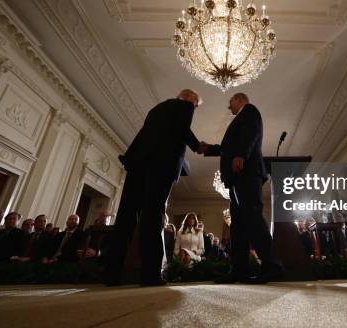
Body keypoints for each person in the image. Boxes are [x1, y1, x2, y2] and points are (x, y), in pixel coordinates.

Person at [104, 89, 208, 286]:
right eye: (196, 104)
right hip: (160, 167)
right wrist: (197, 146)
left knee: (126, 217)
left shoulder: (157, 108)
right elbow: (181, 129)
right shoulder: (185, 106)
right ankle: (150, 275)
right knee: (153, 217)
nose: (194, 107)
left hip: (137, 163)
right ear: (189, 99)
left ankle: (111, 273)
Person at [204, 93, 282, 284]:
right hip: (237, 179)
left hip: (246, 172)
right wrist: (209, 149)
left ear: (239, 100)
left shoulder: (250, 111)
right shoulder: (240, 118)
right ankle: (239, 271)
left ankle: (273, 266)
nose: (228, 106)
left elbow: (251, 133)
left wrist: (240, 155)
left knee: (253, 217)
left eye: (230, 102)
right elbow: (227, 147)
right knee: (238, 226)